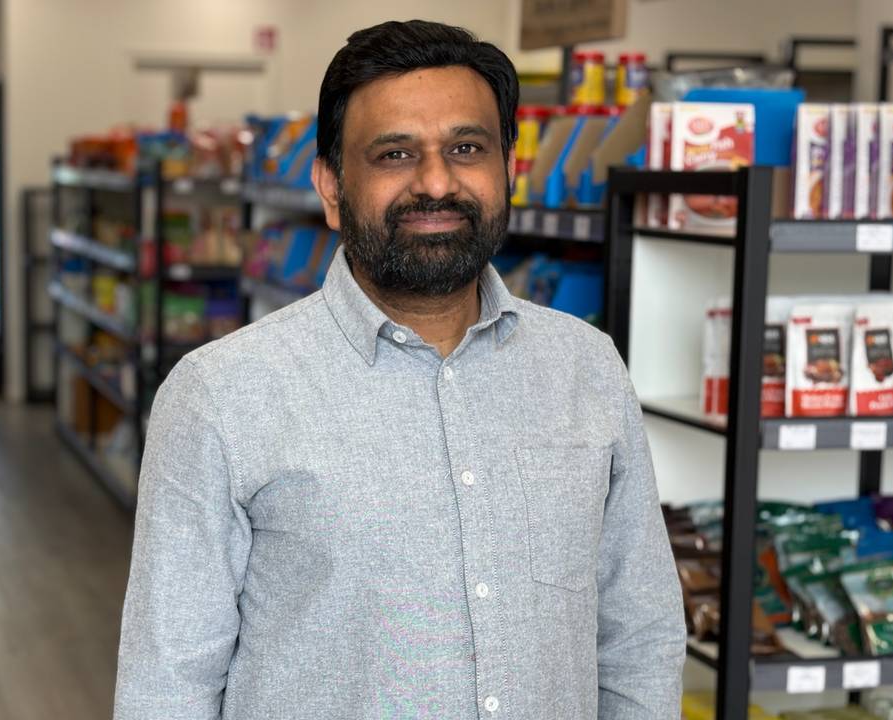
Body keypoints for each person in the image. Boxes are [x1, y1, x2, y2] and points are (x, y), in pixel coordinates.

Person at [114, 19, 685, 719]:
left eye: (466, 148)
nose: (437, 181)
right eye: (394, 154)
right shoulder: (220, 396)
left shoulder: (587, 367)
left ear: (509, 170)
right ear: (331, 187)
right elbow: (167, 685)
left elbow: (641, 636)